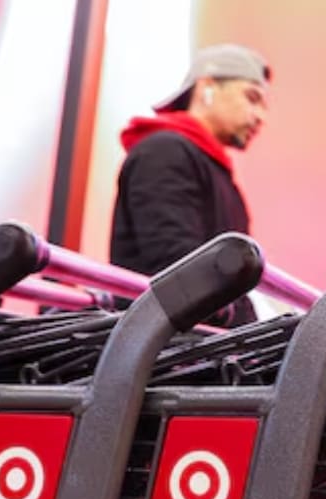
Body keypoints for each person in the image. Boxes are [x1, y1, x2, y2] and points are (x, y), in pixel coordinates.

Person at [109, 43, 271, 326]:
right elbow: (179, 271)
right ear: (207, 88)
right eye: (251, 97)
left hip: (202, 349)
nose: (260, 116)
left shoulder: (212, 171)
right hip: (164, 356)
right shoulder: (163, 152)